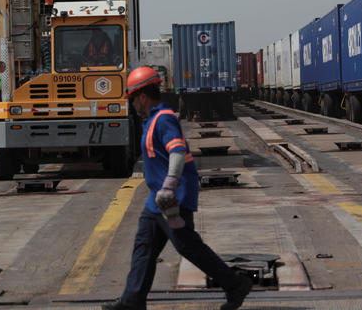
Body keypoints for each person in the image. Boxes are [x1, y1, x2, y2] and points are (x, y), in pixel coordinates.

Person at [102, 66, 252, 310]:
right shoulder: (151, 121)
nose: (131, 105)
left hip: (173, 197)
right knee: (145, 244)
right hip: (156, 199)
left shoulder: (164, 119)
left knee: (186, 245)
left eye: (131, 99)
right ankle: (132, 300)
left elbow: (178, 151)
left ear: (142, 96)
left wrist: (170, 186)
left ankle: (235, 284)